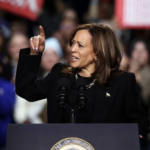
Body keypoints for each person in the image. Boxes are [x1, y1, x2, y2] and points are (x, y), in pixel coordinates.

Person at [15, 24, 149, 144]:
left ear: (97, 52)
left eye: (80, 45)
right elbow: (26, 89)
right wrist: (34, 54)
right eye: (72, 43)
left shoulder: (122, 82)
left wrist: (137, 136)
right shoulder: (60, 74)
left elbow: (138, 121)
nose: (72, 49)